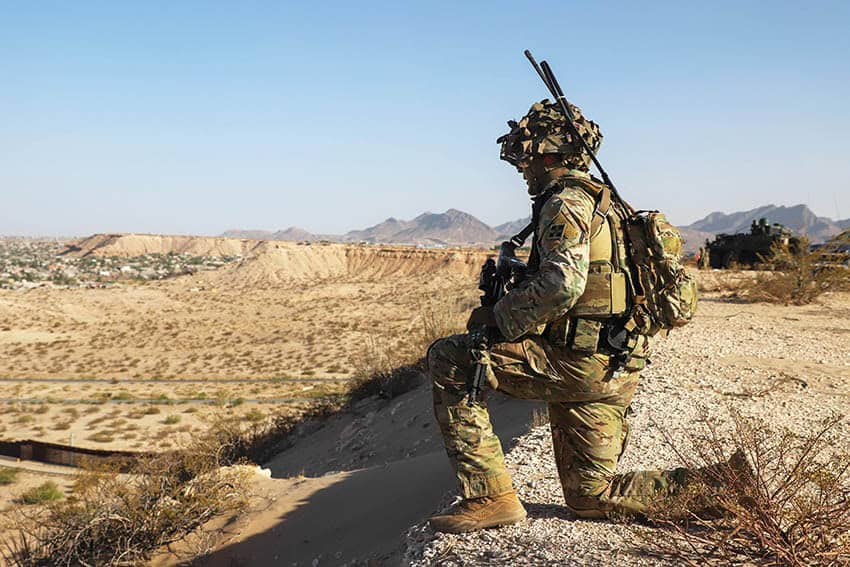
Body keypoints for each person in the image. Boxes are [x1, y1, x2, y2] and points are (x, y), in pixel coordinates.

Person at [426, 100, 694, 533]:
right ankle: (725, 487)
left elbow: (561, 286)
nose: (523, 170)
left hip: (577, 364)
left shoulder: (566, 204)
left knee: (450, 358)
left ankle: (490, 497)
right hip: (615, 365)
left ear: (548, 154)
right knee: (591, 496)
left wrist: (497, 317)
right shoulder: (612, 206)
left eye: (526, 160)